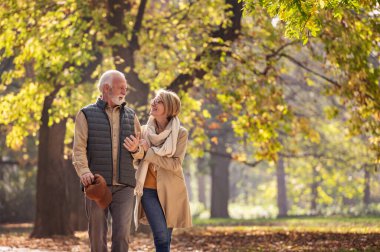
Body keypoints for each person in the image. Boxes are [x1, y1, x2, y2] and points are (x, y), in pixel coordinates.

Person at [72, 70, 144, 252]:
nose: (124, 92)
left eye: (125, 88)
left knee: (122, 236)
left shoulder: (131, 115)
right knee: (97, 236)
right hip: (97, 185)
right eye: (121, 88)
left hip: (125, 186)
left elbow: (142, 152)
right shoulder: (85, 114)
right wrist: (84, 172)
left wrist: (137, 149)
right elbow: (79, 149)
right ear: (106, 88)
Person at [124, 89, 192, 252]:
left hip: (171, 190)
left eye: (159, 101)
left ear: (169, 108)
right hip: (147, 190)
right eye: (154, 99)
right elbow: (139, 157)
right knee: (161, 235)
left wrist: (149, 153)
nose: (153, 102)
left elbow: (175, 164)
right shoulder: (144, 129)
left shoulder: (180, 134)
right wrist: (135, 150)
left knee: (166, 238)